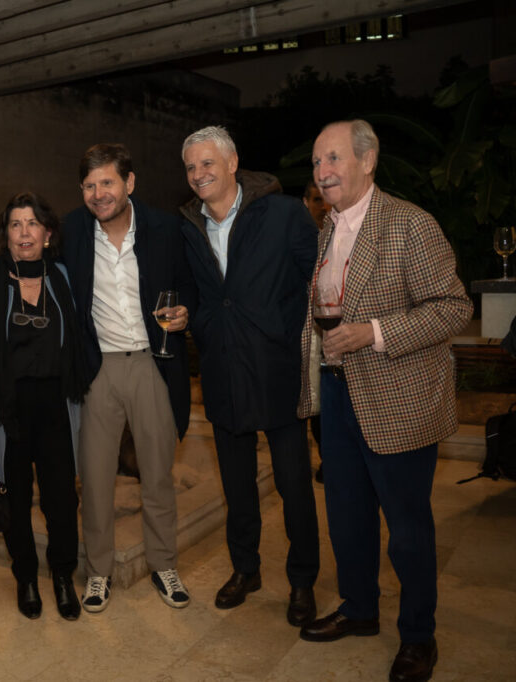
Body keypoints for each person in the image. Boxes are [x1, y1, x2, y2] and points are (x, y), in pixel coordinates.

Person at [0, 143, 197, 614]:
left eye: (107, 182)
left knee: (156, 472)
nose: (98, 193)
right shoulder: (73, 232)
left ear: (129, 184)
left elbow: (192, 281)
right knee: (92, 478)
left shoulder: (166, 229)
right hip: (97, 370)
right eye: (89, 186)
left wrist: (188, 310)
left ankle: (163, 564)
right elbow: (4, 283)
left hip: (152, 360)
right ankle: (97, 573)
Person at [298, 120, 472, 682]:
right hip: (339, 395)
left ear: (367, 161)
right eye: (317, 162)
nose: (323, 172)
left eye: (334, 159)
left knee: (407, 530)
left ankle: (419, 636)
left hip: (398, 401)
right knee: (346, 518)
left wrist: (374, 331)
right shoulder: (326, 229)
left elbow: (453, 307)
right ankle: (360, 609)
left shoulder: (409, 224)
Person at [178, 126, 320, 626]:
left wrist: (290, 327)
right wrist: (192, 319)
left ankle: (303, 581)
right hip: (221, 370)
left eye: (207, 163)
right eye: (191, 167)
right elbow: (192, 290)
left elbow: (318, 274)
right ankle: (246, 569)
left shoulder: (282, 213)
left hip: (276, 368)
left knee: (294, 485)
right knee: (236, 488)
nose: (199, 174)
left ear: (233, 162)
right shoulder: (188, 225)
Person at [0, 192, 91, 620]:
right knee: (13, 500)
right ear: (7, 236)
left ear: (48, 234)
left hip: (57, 404)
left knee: (60, 500)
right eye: (15, 225)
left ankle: (62, 575)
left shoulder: (65, 279)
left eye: (32, 223)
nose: (24, 232)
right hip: (5, 409)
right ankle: (27, 577)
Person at [303, 178, 329, 483]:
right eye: (316, 200)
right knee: (313, 402)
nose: (323, 207)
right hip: (307, 332)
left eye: (326, 200)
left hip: (338, 330)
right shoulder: (300, 237)